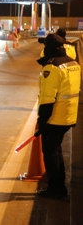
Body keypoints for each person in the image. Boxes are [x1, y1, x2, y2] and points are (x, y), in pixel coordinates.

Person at [36, 33, 80, 199]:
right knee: (56, 151)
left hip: (55, 118)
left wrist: (42, 121)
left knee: (51, 153)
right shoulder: (73, 63)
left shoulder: (52, 67)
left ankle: (56, 189)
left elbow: (47, 99)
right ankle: (60, 186)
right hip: (69, 115)